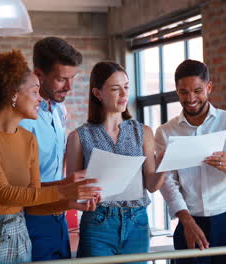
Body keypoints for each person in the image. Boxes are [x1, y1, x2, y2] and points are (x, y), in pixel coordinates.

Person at [0, 50, 100, 264]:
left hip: (20, 235)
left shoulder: (28, 139)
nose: (40, 99)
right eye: (35, 91)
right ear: (13, 94)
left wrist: (71, 203)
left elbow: (33, 202)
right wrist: (65, 190)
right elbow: (3, 194)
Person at [156, 59, 226, 264]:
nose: (191, 98)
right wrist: (186, 221)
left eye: (197, 90)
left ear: (209, 87)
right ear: (177, 91)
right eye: (183, 92)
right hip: (189, 221)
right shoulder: (166, 132)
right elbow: (168, 182)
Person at [65, 61, 165, 262]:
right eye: (115, 88)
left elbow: (152, 185)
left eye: (126, 87)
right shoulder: (78, 137)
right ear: (98, 93)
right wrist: (84, 198)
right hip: (98, 222)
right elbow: (71, 192)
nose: (124, 94)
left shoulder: (143, 132)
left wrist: (166, 164)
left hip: (137, 222)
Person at [19, 37, 84, 261]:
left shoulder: (59, 110)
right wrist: (67, 187)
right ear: (39, 75)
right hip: (31, 219)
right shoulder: (23, 121)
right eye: (61, 79)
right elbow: (18, 188)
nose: (69, 87)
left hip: (60, 217)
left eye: (72, 78)